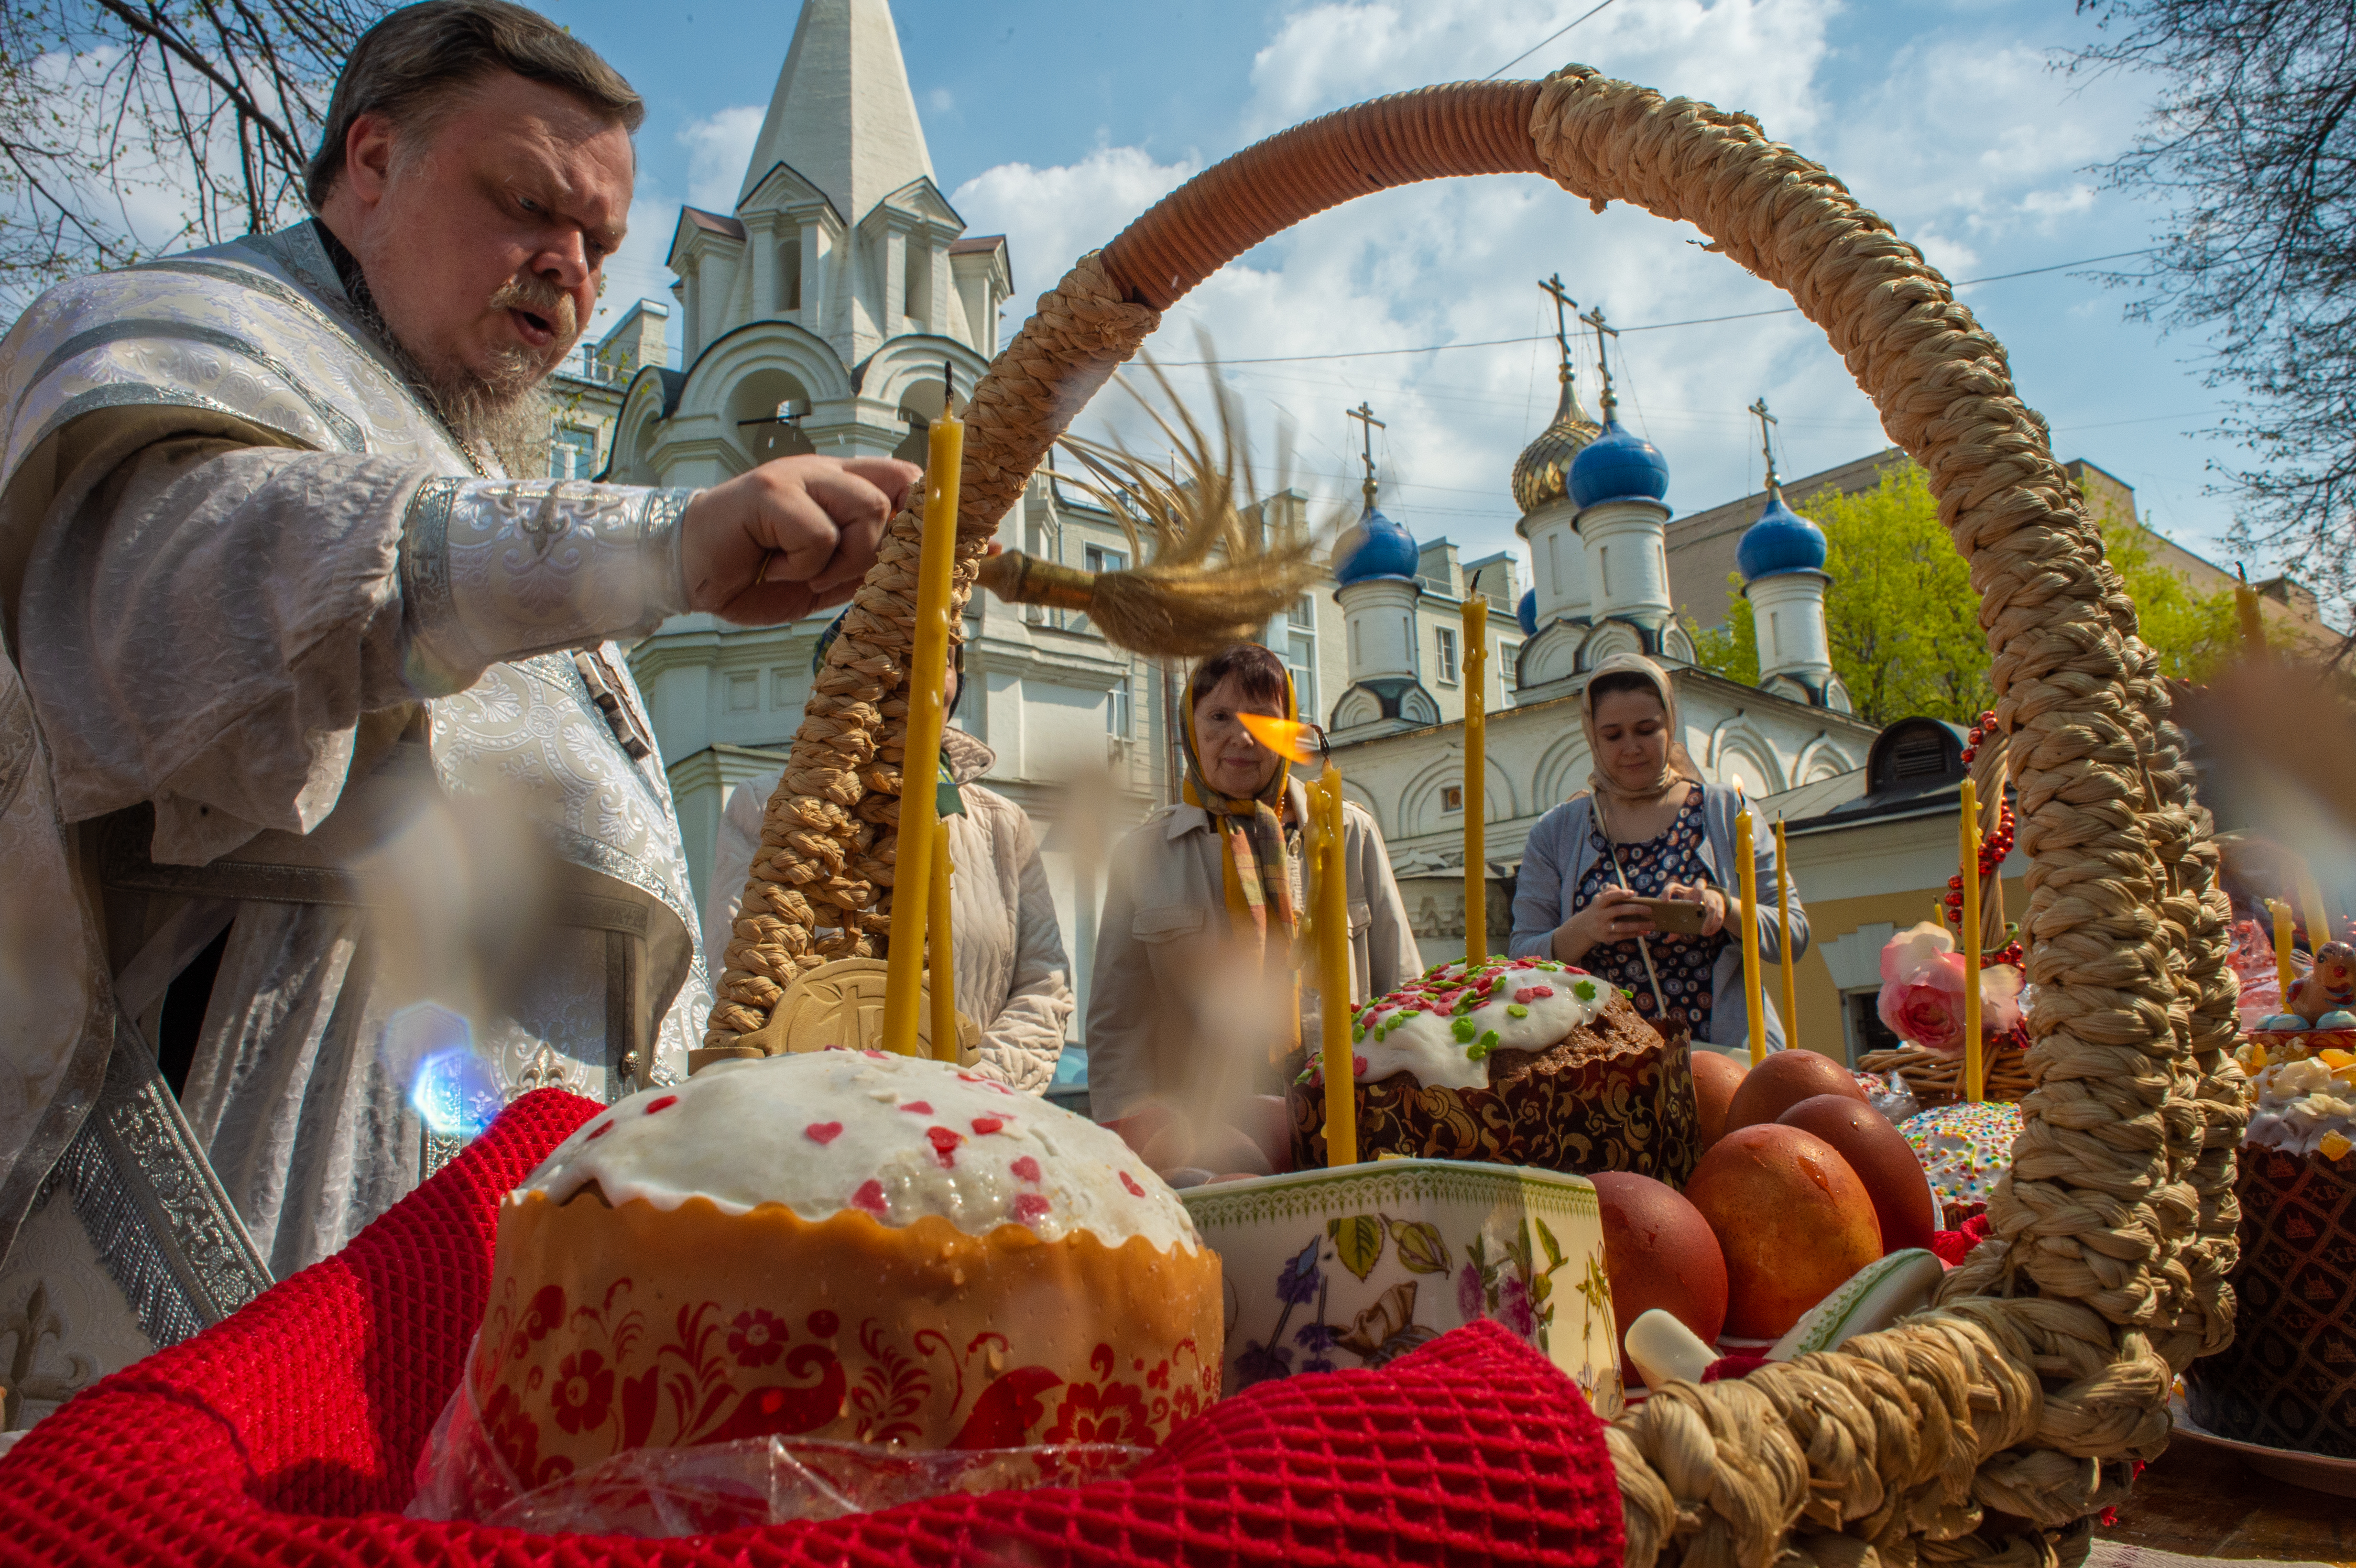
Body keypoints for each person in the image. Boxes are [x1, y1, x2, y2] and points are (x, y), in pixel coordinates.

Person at [0, 0, 918, 1277]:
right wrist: (659, 548)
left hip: (509, 1232)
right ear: (373, 163)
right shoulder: (190, 334)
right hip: (267, 1204)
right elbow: (182, 595)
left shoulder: (464, 450)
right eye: (528, 205)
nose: (570, 267)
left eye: (598, 243)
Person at [704, 618, 1072, 1090]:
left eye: (941, 657)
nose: (919, 673)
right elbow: (740, 976)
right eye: (895, 650)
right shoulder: (767, 807)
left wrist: (978, 1086)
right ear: (845, 678)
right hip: (817, 1116)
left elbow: (1042, 984)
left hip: (972, 1122)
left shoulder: (1001, 825)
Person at [1086, 642, 1419, 1156]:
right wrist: (1139, 1136)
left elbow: (1401, 986)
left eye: (1262, 719)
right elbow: (1117, 1022)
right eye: (1218, 716)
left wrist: (1406, 1111)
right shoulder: (1144, 854)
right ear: (1190, 729)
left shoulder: (1346, 832)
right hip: (1198, 1139)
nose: (1240, 737)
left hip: (1349, 1124)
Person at [1507, 653, 1807, 1053]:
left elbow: (1792, 935)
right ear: (1592, 736)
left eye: (1647, 730)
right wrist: (1586, 929)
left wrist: (1724, 909)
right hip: (1605, 1067)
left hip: (1729, 1059)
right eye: (1613, 736)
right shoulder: (1556, 832)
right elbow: (1520, 958)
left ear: (1670, 725)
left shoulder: (1727, 812)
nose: (1631, 747)